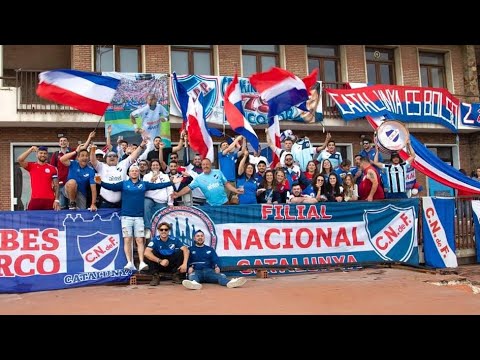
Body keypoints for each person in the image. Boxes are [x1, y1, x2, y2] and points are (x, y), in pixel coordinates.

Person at [97, 164, 177, 271]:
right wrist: (100, 183)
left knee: (139, 240)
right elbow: (112, 187)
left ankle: (142, 262)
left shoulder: (143, 184)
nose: (134, 172)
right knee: (127, 240)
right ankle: (129, 263)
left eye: (136, 171)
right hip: (126, 217)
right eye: (132, 171)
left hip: (139, 217)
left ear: (138, 173)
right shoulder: (124, 184)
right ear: (129, 173)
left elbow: (157, 186)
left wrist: (171, 182)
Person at [182, 229, 247, 290]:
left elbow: (216, 260)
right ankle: (194, 284)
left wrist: (217, 267)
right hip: (196, 271)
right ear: (194, 238)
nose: (200, 238)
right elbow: (186, 261)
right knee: (192, 276)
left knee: (221, 276)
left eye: (202, 236)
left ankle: (230, 283)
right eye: (198, 236)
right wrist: (188, 269)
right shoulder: (190, 249)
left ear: (204, 238)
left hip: (209, 271)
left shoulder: (210, 249)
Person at [172, 158, 244, 206]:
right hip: (212, 206)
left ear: (210, 165)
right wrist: (178, 194)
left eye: (207, 164)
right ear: (202, 166)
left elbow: (227, 184)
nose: (205, 166)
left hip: (225, 203)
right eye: (203, 164)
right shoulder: (198, 178)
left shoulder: (218, 172)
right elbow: (188, 188)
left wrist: (235, 190)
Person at [144, 222, 189, 286]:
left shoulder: (174, 239)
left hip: (171, 263)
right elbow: (146, 253)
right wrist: (160, 261)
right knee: (150, 253)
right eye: (161, 230)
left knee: (181, 251)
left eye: (166, 229)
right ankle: (155, 276)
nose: (163, 231)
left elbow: (186, 250)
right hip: (159, 263)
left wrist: (184, 264)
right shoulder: (155, 240)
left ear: (169, 231)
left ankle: (176, 275)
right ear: (158, 231)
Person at [16, 146, 61, 210]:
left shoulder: (52, 168)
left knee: (49, 220)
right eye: (41, 153)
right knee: (31, 219)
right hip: (35, 199)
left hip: (49, 200)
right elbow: (20, 159)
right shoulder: (31, 166)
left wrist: (57, 200)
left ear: (47, 155)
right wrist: (30, 150)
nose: (43, 155)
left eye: (45, 153)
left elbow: (56, 185)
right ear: (37, 155)